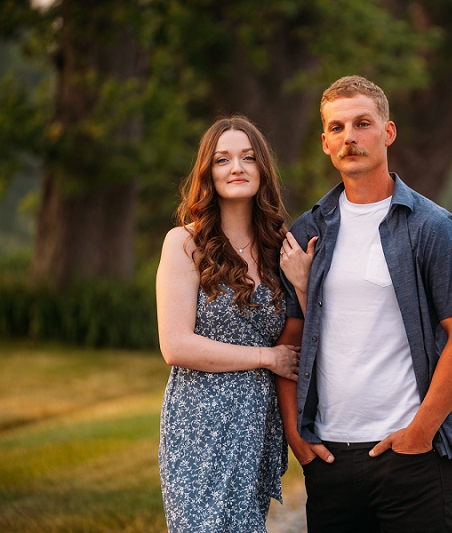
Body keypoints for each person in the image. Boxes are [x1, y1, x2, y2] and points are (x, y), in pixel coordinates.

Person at [277, 75, 452, 532]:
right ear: (326, 144)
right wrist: (297, 436)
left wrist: (421, 432)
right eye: (337, 128)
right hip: (330, 460)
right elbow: (289, 342)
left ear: (387, 133)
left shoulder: (432, 227)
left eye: (362, 123)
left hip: (410, 459)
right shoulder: (308, 232)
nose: (350, 137)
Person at [156, 115, 300, 532]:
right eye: (223, 160)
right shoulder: (185, 243)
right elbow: (176, 346)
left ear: (262, 169)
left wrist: (304, 284)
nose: (236, 168)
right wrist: (267, 357)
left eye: (248, 157)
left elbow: (305, 323)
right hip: (198, 417)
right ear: (208, 172)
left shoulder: (280, 249)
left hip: (256, 420)